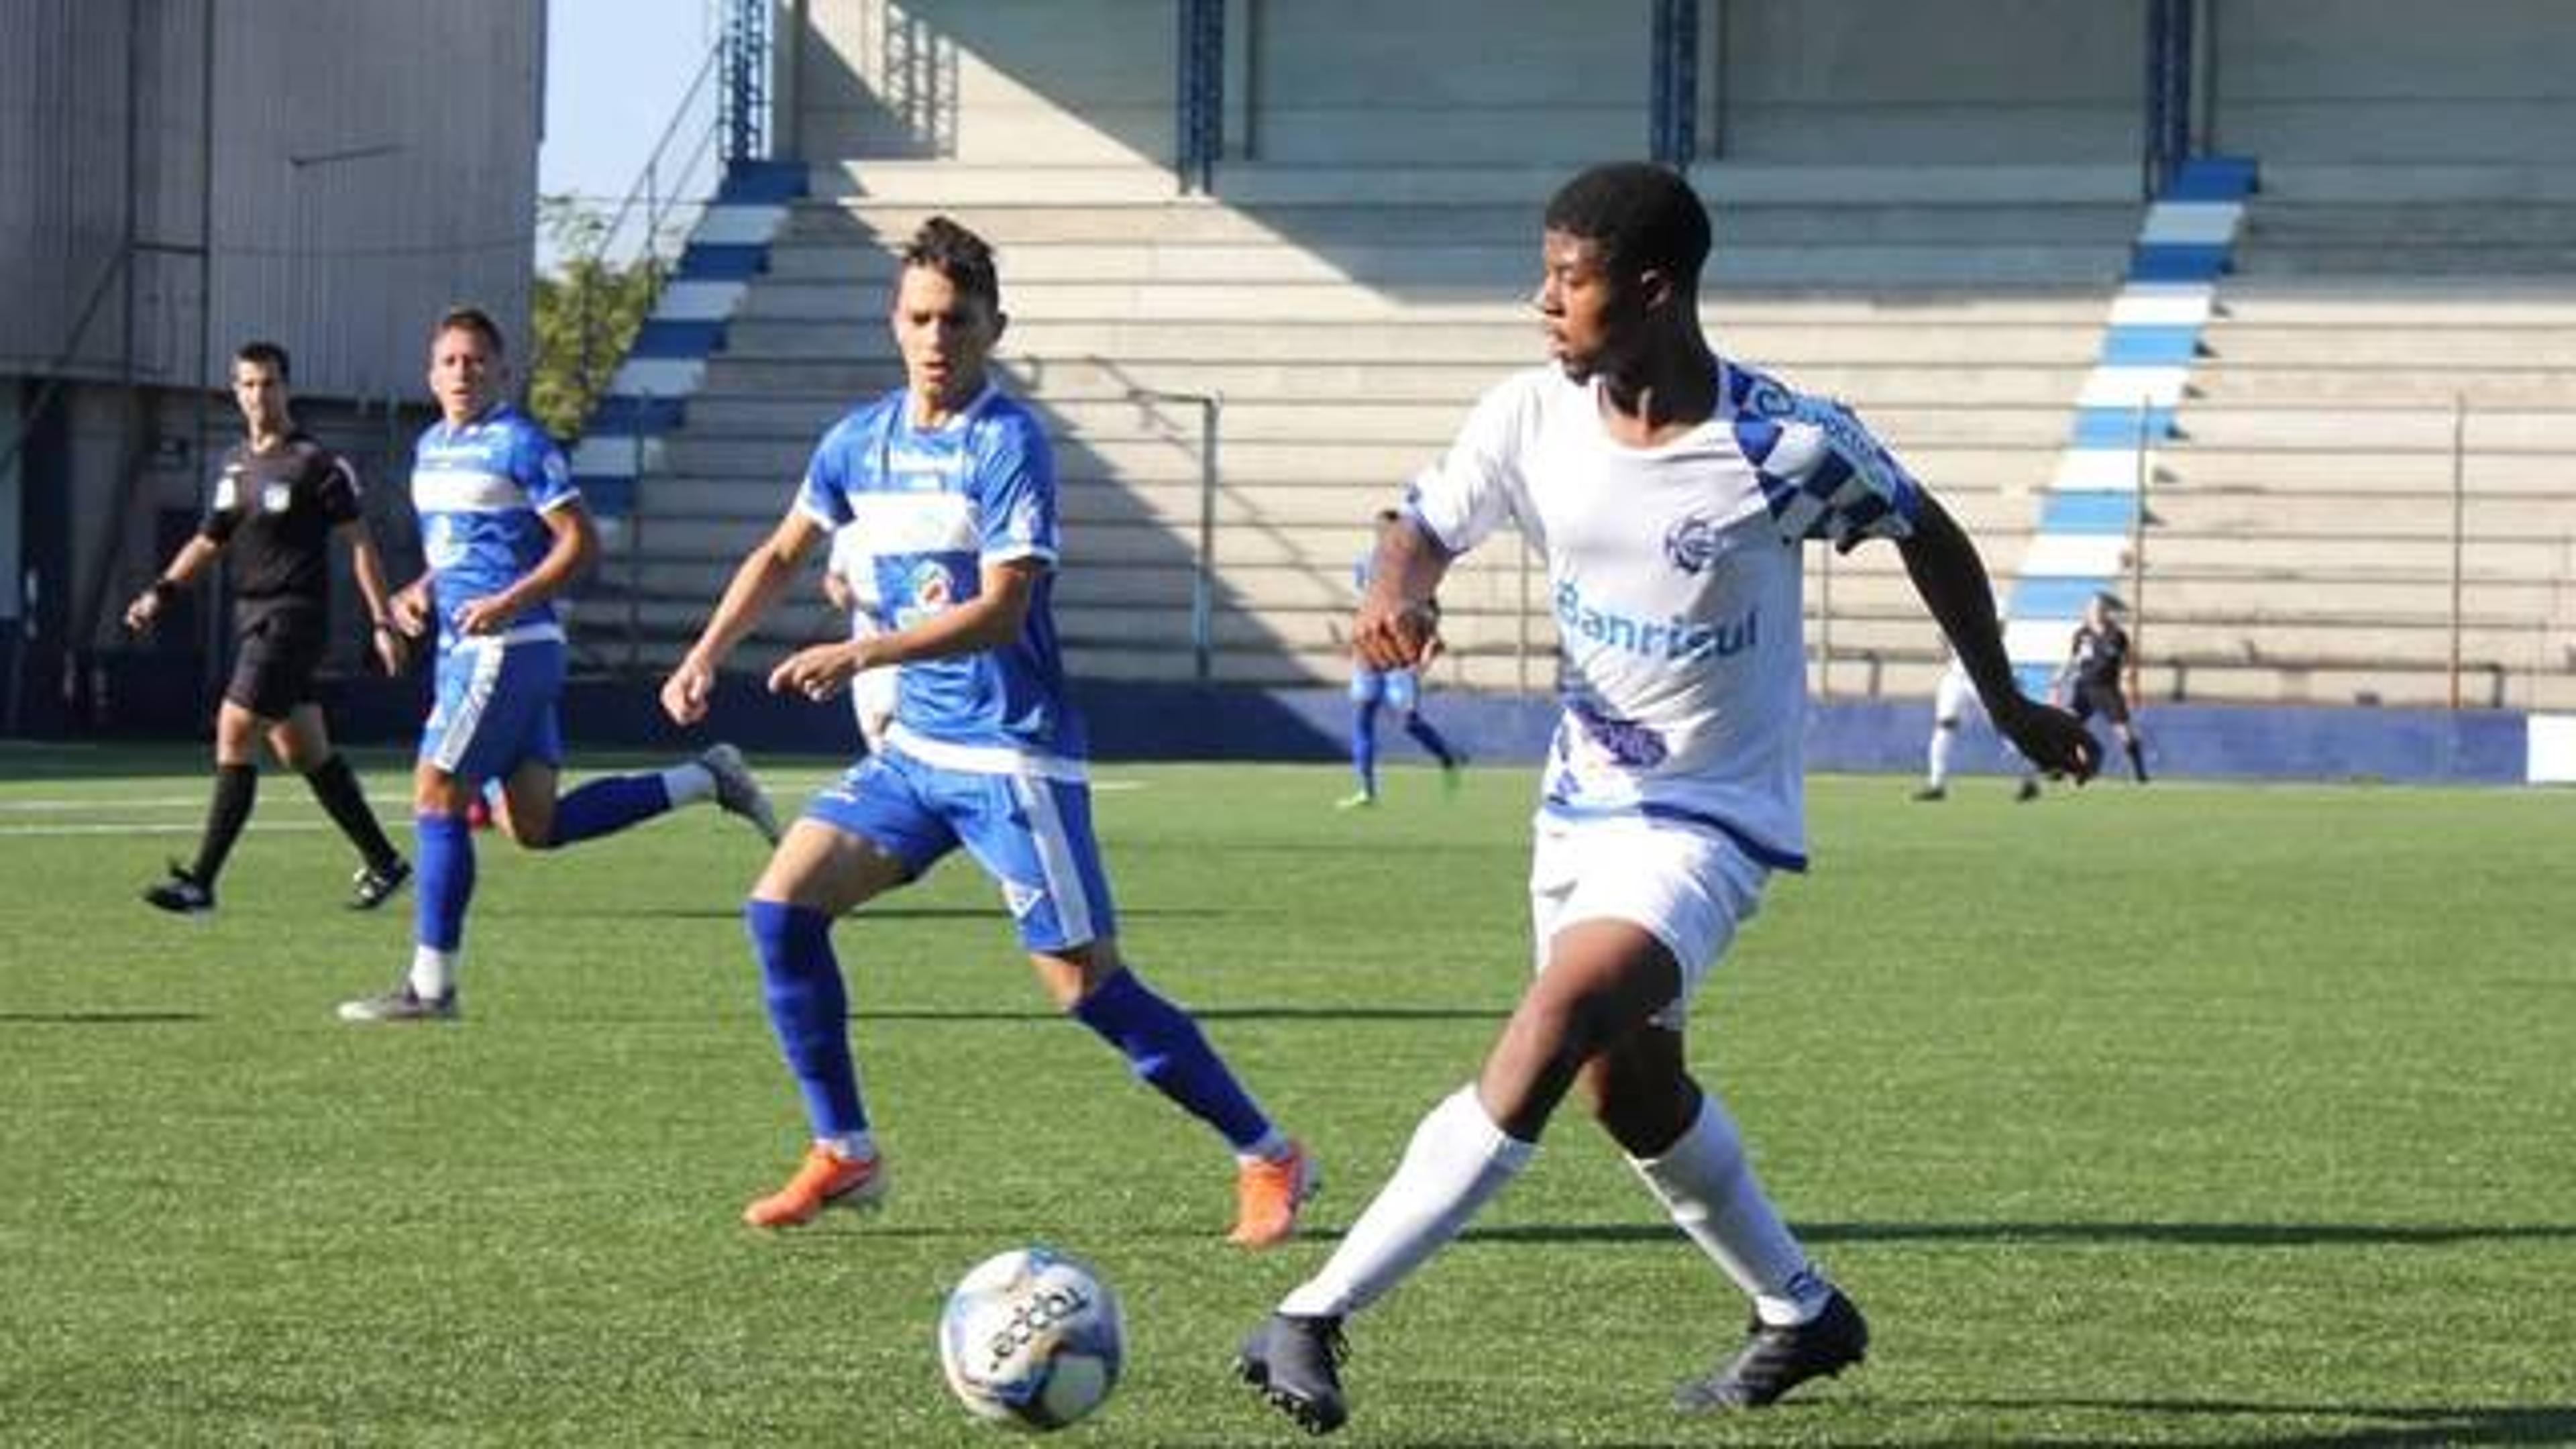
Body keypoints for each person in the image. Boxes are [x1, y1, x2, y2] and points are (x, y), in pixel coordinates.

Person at [1233, 164, 2100, 1435]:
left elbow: (1927, 530)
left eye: (1568, 280)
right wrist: (1398, 593)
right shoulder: (1533, 413)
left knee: (1556, 1017)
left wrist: (2013, 706)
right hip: (1579, 809)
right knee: (1625, 1092)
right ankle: (1802, 1312)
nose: (1542, 302)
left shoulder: (1781, 446)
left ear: (1650, 291)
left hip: (1712, 820)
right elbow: (1416, 522)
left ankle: (1315, 1312)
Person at [659, 217, 1316, 1240]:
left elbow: (1005, 610)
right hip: (916, 757)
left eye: (957, 321)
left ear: (993, 328)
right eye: (920, 318)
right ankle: (845, 1152)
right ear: (895, 322)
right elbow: (784, 552)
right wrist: (706, 651)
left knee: (1083, 986)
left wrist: (862, 654)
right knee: (781, 908)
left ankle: (1269, 1153)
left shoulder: (1011, 445)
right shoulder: (857, 442)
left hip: (1011, 756)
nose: (937, 338)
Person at [335, 306, 780, 1023]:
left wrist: (509, 601)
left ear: (502, 372)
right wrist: (418, 592)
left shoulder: (520, 443)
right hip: (476, 651)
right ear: (430, 372)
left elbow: (577, 545)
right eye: (449, 360)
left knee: (436, 795)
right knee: (535, 827)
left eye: (477, 360)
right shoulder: (430, 449)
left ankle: (431, 988)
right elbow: (457, 556)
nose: (462, 372)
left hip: (504, 650)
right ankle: (706, 778)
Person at [123, 340, 413, 914]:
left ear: (288, 388)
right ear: (236, 391)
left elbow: (360, 546)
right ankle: (385, 862)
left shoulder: (316, 463)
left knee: (235, 727)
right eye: (249, 385)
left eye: (270, 383)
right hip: (251, 617)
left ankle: (200, 882)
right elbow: (210, 539)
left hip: (294, 617)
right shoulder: (235, 465)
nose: (259, 395)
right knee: (302, 747)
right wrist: (161, 591)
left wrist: (383, 620)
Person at [1339, 508, 1464, 809]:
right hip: (1372, 651)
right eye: (1381, 532)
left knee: (1408, 720)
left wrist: (1425, 641)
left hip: (1401, 653)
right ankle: (1367, 790)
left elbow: (1431, 608)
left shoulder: (1415, 566)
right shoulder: (1365, 564)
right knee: (1362, 716)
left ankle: (1447, 758)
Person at [1915, 649, 2043, 802]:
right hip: (1955, 677)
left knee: (2005, 728)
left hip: (1983, 676)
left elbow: (1997, 631)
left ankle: (2031, 778)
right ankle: (1936, 785)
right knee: (1945, 726)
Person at [820, 521, 898, 754]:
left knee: (885, 719)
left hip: (903, 644)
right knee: (873, 735)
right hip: (863, 644)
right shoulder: (849, 528)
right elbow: (834, 576)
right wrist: (839, 592)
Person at [2054, 591, 2149, 783]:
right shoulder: (2082, 634)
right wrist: (2060, 675)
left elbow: (2127, 660)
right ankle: (2074, 769)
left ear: (2106, 611)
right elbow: (2073, 659)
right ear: (2088, 611)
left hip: (2107, 689)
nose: (2096, 612)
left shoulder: (2117, 635)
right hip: (2083, 689)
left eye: (2100, 608)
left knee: (2125, 732)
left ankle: (2139, 771)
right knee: (2069, 728)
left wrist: (2129, 675)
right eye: (2093, 608)